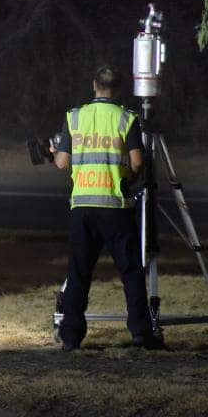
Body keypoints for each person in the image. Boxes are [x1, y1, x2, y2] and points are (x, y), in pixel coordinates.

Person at [50, 66, 164, 351]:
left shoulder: (75, 117)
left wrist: (53, 153)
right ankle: (141, 332)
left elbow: (63, 163)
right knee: (130, 272)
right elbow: (137, 162)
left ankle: (71, 336)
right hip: (115, 206)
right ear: (118, 88)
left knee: (79, 273)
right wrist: (127, 177)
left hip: (83, 207)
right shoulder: (126, 118)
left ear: (94, 85)